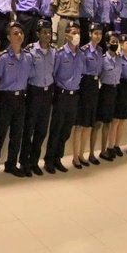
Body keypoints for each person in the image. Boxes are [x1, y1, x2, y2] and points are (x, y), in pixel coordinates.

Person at [0, 21, 32, 180]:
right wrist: (6, 91)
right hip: (5, 99)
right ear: (8, 37)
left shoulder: (28, 57)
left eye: (21, 33)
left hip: (21, 99)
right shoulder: (3, 57)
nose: (19, 35)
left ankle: (11, 165)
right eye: (15, 33)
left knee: (17, 135)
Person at [44, 21, 84, 174]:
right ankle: (49, 160)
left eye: (78, 33)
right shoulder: (60, 53)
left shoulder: (81, 54)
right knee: (56, 129)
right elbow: (53, 74)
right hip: (62, 95)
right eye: (73, 32)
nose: (76, 36)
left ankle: (57, 158)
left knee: (66, 130)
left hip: (74, 96)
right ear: (67, 35)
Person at [19, 19, 55, 176]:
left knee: (41, 130)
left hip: (48, 93)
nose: (47, 35)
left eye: (49, 32)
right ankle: (24, 163)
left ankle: (34, 162)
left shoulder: (55, 52)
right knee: (29, 130)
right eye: (44, 32)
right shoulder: (30, 51)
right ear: (37, 34)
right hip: (34, 92)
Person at [73, 23, 103, 168]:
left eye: (100, 33)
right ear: (90, 34)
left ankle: (82, 154)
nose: (98, 36)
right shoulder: (84, 50)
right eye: (95, 33)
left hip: (95, 87)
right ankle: (75, 156)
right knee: (80, 124)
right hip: (85, 85)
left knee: (89, 124)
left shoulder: (100, 51)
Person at [106, 34, 127, 158]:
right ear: (122, 45)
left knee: (123, 119)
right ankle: (110, 145)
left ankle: (117, 144)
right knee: (116, 120)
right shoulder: (118, 58)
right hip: (120, 87)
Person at [96, 32, 123, 162]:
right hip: (104, 91)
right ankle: (93, 152)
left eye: (116, 42)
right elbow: (99, 76)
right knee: (99, 123)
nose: (115, 44)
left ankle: (105, 149)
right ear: (107, 43)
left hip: (115, 91)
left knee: (109, 122)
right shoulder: (102, 59)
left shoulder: (119, 59)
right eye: (112, 41)